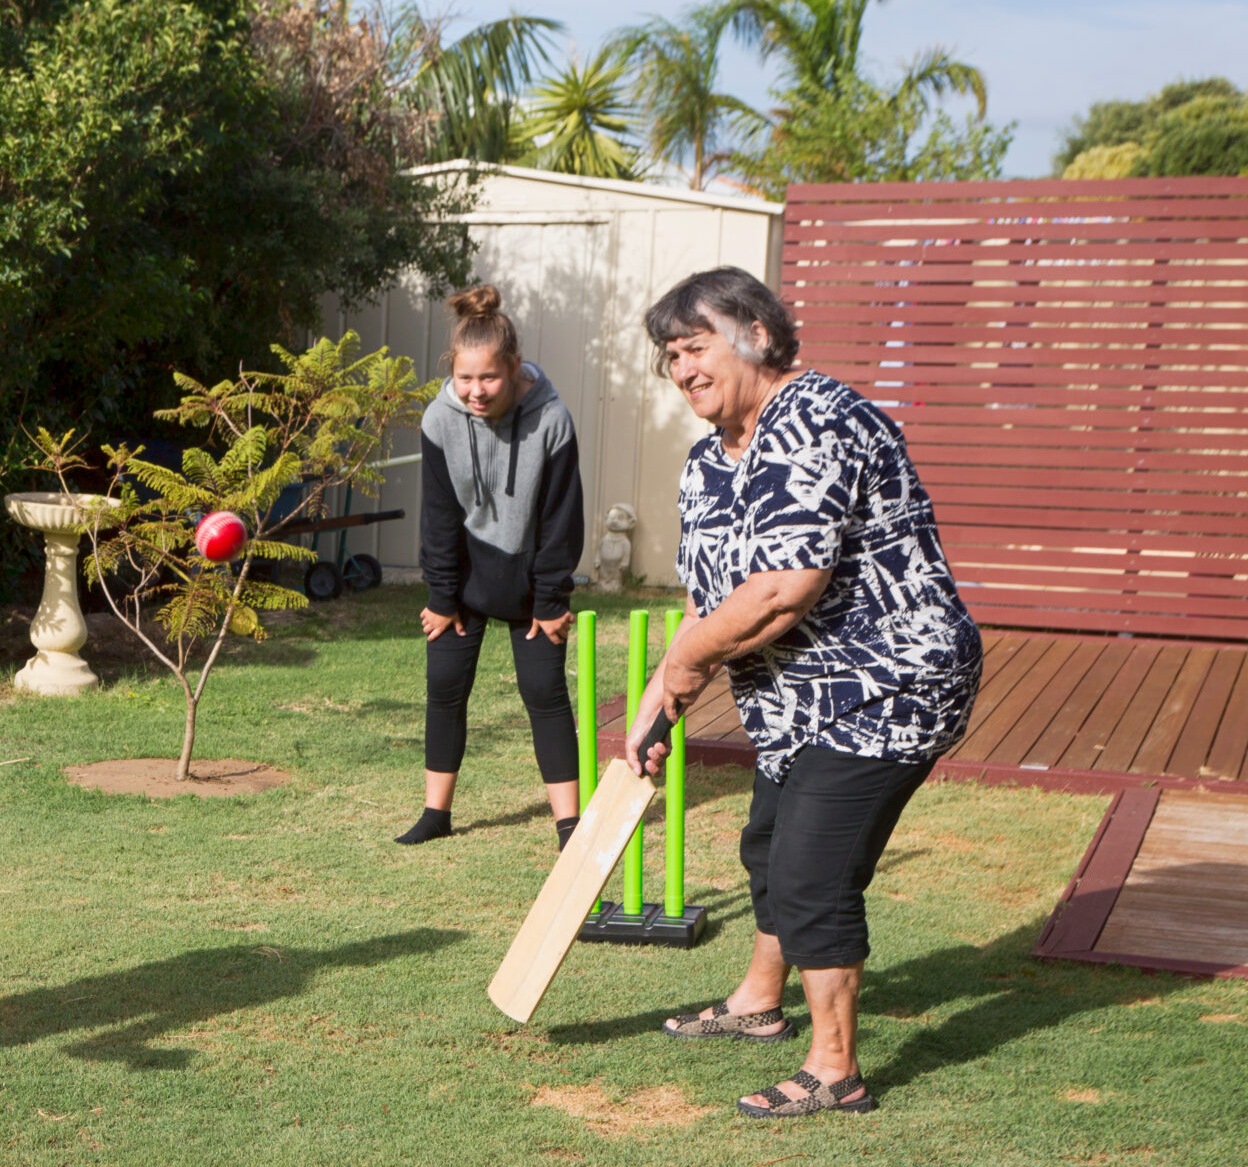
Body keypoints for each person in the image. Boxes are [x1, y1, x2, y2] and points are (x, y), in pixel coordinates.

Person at [627, 266, 982, 1119]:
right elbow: (708, 596)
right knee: (767, 844)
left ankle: (836, 1069)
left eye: (696, 345)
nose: (682, 369)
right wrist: (659, 697)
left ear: (755, 331)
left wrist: (685, 668)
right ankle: (757, 1001)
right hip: (798, 699)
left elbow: (784, 588)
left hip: (888, 682)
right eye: (670, 356)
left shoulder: (819, 418)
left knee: (812, 870)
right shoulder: (710, 460)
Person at [402, 285, 586, 849]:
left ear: (513, 368)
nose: (476, 392)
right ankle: (437, 814)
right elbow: (437, 515)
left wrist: (553, 600)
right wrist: (441, 595)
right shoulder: (440, 419)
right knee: (445, 685)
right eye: (465, 379)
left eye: (489, 379)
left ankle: (569, 824)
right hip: (464, 578)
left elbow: (561, 517)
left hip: (532, 581)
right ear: (452, 374)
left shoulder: (551, 419)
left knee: (544, 691)